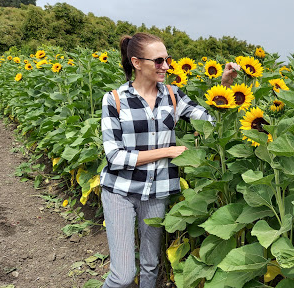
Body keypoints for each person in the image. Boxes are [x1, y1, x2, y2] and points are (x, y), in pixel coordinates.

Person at [99, 32, 240, 287]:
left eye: (168, 59)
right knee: (123, 275)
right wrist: (167, 151)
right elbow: (115, 157)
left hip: (157, 190)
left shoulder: (174, 96)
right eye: (159, 61)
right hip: (120, 190)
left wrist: (226, 86)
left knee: (151, 265)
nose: (166, 66)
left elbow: (210, 120)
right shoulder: (115, 100)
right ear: (137, 62)